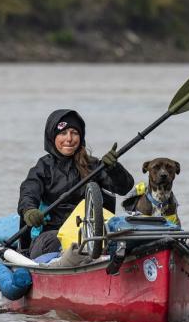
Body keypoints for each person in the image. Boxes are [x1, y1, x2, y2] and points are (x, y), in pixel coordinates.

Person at [18, 109, 134, 258]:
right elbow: (28, 191)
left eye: (74, 133)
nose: (69, 139)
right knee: (55, 240)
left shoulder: (93, 166)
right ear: (52, 137)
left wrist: (114, 168)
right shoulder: (42, 168)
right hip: (53, 234)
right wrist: (29, 211)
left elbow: (124, 188)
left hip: (91, 235)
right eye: (63, 133)